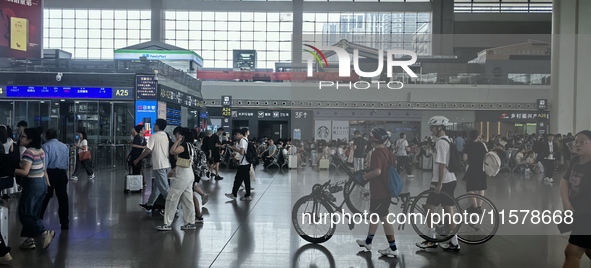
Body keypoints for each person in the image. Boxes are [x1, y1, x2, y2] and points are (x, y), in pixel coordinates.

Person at [416, 116, 460, 251]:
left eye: (432, 127)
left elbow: (441, 164)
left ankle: (432, 239)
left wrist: (439, 183)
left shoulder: (440, 143)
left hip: (442, 181)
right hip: (451, 179)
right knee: (449, 211)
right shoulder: (448, 140)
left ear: (439, 128)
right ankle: (454, 241)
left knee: (429, 208)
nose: (431, 130)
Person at [354, 128, 399, 258]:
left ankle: (393, 248)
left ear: (374, 139)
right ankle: (368, 242)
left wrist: (364, 177)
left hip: (380, 192)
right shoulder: (388, 152)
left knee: (385, 219)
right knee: (375, 217)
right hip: (385, 191)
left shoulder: (376, 153)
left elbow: (377, 171)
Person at [13, 128, 55, 250]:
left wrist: (11, 170)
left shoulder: (28, 152)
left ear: (31, 139)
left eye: (24, 136)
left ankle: (43, 232)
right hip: (41, 183)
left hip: (32, 184)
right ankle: (29, 240)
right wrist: (48, 185)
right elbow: (43, 169)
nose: (21, 138)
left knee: (25, 213)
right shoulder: (40, 151)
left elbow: (25, 172)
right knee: (33, 213)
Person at [156, 127, 197, 231]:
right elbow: (178, 158)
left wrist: (178, 141)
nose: (175, 137)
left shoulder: (183, 145)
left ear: (181, 135)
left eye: (176, 135)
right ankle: (190, 222)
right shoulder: (190, 146)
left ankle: (167, 223)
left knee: (172, 197)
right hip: (189, 174)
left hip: (183, 176)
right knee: (187, 199)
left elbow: (172, 151)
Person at [561, 130, 591, 268]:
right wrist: (566, 202)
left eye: (582, 142)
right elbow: (564, 181)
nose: (577, 145)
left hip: (587, 216)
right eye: (576, 142)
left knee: (572, 251)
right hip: (577, 213)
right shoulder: (575, 161)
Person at [136, 119, 171, 213]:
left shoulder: (154, 136)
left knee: (164, 188)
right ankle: (149, 205)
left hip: (159, 165)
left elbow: (147, 150)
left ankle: (173, 208)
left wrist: (138, 159)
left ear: (157, 126)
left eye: (155, 124)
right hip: (166, 164)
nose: (154, 126)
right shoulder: (166, 135)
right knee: (157, 186)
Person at [39, 129, 70, 230]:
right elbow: (67, 162)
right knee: (63, 198)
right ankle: (64, 222)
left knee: (45, 197)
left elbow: (45, 164)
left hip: (50, 173)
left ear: (46, 136)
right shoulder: (64, 146)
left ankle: (39, 219)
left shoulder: (45, 147)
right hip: (62, 173)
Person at [462, 130, 488, 213]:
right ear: (478, 136)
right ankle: (479, 206)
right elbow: (486, 155)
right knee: (481, 188)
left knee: (470, 188)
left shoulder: (468, 145)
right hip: (481, 168)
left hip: (472, 168)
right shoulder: (482, 145)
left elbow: (464, 158)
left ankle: (475, 206)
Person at [225, 129, 252, 201]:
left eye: (235, 135)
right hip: (247, 163)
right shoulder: (246, 139)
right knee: (246, 180)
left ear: (239, 134)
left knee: (238, 179)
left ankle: (234, 194)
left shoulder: (242, 141)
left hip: (243, 163)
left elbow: (242, 152)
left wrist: (235, 149)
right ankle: (247, 195)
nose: (235, 137)